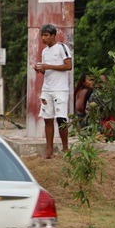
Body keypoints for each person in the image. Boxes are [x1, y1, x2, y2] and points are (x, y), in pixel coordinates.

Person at [33, 23, 73, 158]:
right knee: (47, 119)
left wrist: (48, 65)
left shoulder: (62, 47)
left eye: (46, 35)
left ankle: (66, 149)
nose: (43, 38)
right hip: (47, 88)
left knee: (61, 119)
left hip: (60, 89)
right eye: (42, 35)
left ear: (53, 35)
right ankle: (49, 150)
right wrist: (41, 69)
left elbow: (68, 66)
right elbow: (47, 71)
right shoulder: (44, 51)